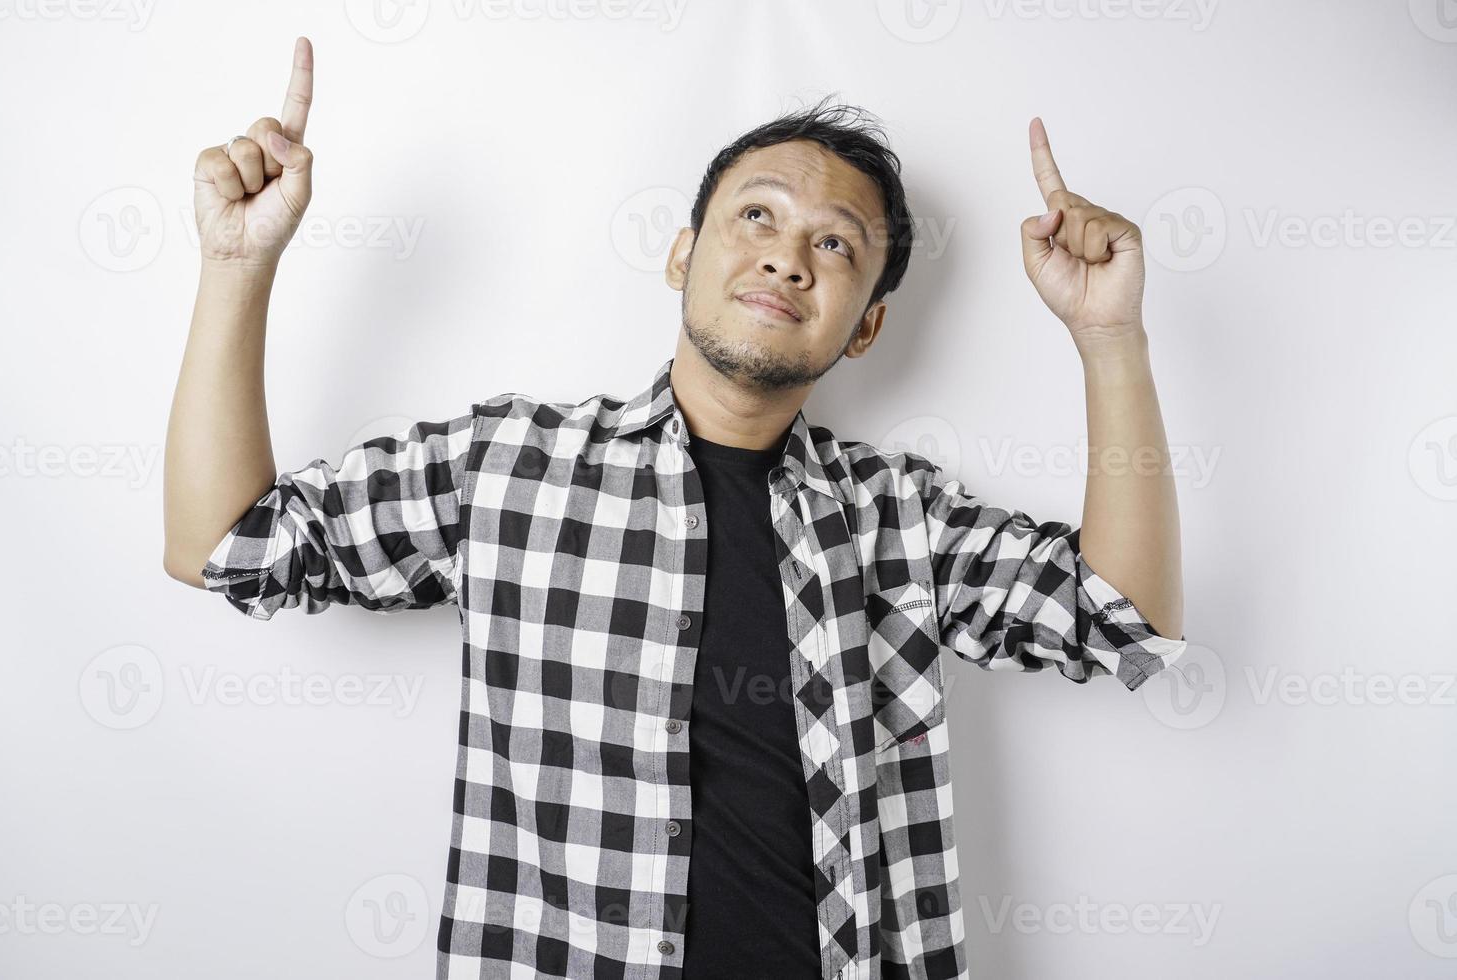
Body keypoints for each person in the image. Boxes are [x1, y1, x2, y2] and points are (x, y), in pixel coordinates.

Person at [163, 35, 1187, 980]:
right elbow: (228, 542)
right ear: (680, 254)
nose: (790, 256)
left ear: (866, 327)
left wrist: (1110, 338)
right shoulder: (510, 468)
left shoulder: (897, 517)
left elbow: (1124, 618)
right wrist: (235, 264)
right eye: (759, 215)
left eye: (836, 246)